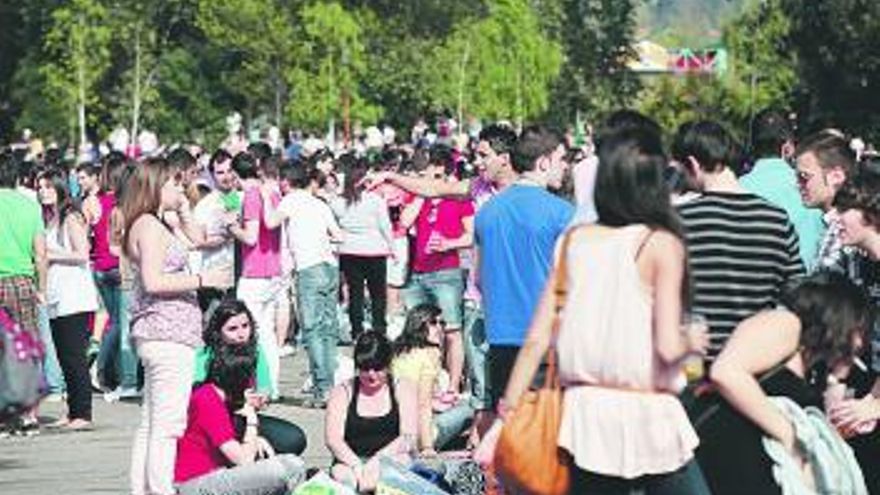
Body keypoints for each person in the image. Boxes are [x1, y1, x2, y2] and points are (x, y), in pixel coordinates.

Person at [477, 127, 711, 494]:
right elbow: (667, 346)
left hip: (583, 419)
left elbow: (538, 337)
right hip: (648, 415)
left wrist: (506, 414)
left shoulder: (575, 241)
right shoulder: (660, 243)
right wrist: (692, 339)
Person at [699, 272, 871, 495]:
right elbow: (726, 372)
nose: (861, 342)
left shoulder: (812, 365)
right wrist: (790, 435)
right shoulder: (786, 323)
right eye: (860, 328)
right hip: (731, 453)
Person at [124, 157, 228, 495]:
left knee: (152, 422)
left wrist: (183, 209)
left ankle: (144, 489)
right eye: (172, 184)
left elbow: (198, 238)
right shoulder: (151, 226)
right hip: (167, 331)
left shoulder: (149, 222)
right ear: (155, 186)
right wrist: (202, 279)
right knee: (168, 425)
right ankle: (160, 489)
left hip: (159, 331)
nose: (180, 187)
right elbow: (155, 280)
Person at [673, 121, 805, 359]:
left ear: (692, 165)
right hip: (756, 367)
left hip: (697, 365)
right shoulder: (776, 219)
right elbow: (798, 292)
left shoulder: (679, 221)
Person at [474, 125, 573, 415]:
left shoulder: (487, 212)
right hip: (547, 344)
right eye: (561, 159)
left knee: (509, 434)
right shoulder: (563, 213)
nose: (564, 167)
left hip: (500, 338)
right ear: (543, 162)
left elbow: (479, 279)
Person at [175, 300, 306, 495]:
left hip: (229, 437)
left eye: (245, 326)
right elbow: (243, 460)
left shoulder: (251, 352)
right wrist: (251, 425)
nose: (241, 333)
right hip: (197, 482)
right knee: (287, 468)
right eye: (233, 328)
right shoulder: (207, 393)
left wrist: (256, 411)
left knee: (289, 457)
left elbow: (264, 388)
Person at [822, 163, 880, 493]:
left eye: (844, 209)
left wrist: (873, 404)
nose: (833, 218)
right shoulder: (862, 263)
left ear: (870, 212)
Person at [400, 145, 475, 400]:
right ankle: (428, 382)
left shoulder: (459, 199)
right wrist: (423, 194)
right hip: (418, 272)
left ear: (444, 170)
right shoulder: (418, 197)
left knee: (452, 330)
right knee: (420, 332)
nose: (427, 174)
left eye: (433, 169)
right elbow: (405, 222)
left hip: (447, 272)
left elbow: (471, 234)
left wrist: (449, 243)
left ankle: (453, 386)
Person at [263, 165, 342, 406]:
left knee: (312, 332)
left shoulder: (289, 201)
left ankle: (323, 389)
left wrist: (266, 198)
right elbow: (339, 236)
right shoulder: (319, 203)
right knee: (328, 330)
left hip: (309, 269)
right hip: (330, 267)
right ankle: (330, 386)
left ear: (286, 182)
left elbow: (269, 223)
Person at [38, 168, 100, 430]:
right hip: (57, 295)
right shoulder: (49, 218)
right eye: (39, 187)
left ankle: (82, 413)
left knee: (74, 356)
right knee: (64, 356)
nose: (43, 191)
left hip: (73, 296)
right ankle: (73, 409)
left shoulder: (71, 216)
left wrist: (50, 254)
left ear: (60, 187)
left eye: (48, 186)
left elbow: (82, 254)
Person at [325, 331, 417, 492]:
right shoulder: (342, 391)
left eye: (377, 368)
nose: (371, 375)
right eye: (365, 368)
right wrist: (357, 466)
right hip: (350, 460)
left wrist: (377, 460)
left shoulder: (403, 388)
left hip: (390, 458)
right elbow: (333, 440)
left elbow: (408, 437)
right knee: (342, 476)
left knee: (400, 464)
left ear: (388, 365)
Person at [740, 109, 826, 270]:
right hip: (801, 290)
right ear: (788, 148)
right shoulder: (809, 189)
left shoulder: (736, 187)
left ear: (752, 145)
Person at [228, 151, 285, 396]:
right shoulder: (273, 192)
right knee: (267, 333)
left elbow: (250, 237)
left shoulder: (251, 196)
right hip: (274, 269)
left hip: (254, 273)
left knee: (249, 331)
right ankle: (271, 384)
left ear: (235, 174)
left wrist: (232, 226)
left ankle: (258, 384)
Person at [0, 151, 47, 435]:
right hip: (22, 283)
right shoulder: (30, 207)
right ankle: (30, 414)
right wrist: (41, 287)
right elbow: (41, 254)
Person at [392, 303, 474, 455]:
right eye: (434, 323)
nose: (440, 328)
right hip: (421, 434)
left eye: (442, 323)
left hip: (396, 430)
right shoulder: (430, 354)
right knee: (474, 405)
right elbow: (423, 404)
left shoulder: (398, 350)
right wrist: (427, 447)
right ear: (419, 324)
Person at [332, 161, 395, 340]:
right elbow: (385, 226)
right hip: (375, 251)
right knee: (378, 294)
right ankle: (379, 328)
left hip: (349, 251)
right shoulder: (375, 200)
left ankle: (356, 330)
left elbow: (334, 224)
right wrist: (392, 247)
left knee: (355, 293)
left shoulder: (338, 202)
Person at [794, 131, 858, 271]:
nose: (797, 185)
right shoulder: (835, 224)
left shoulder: (846, 229)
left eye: (804, 177)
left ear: (836, 176)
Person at [192, 149, 239, 313]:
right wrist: (226, 238)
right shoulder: (205, 205)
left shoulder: (239, 197)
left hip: (241, 276)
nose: (226, 176)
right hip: (214, 276)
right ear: (212, 175)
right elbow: (198, 241)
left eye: (229, 170)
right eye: (220, 172)